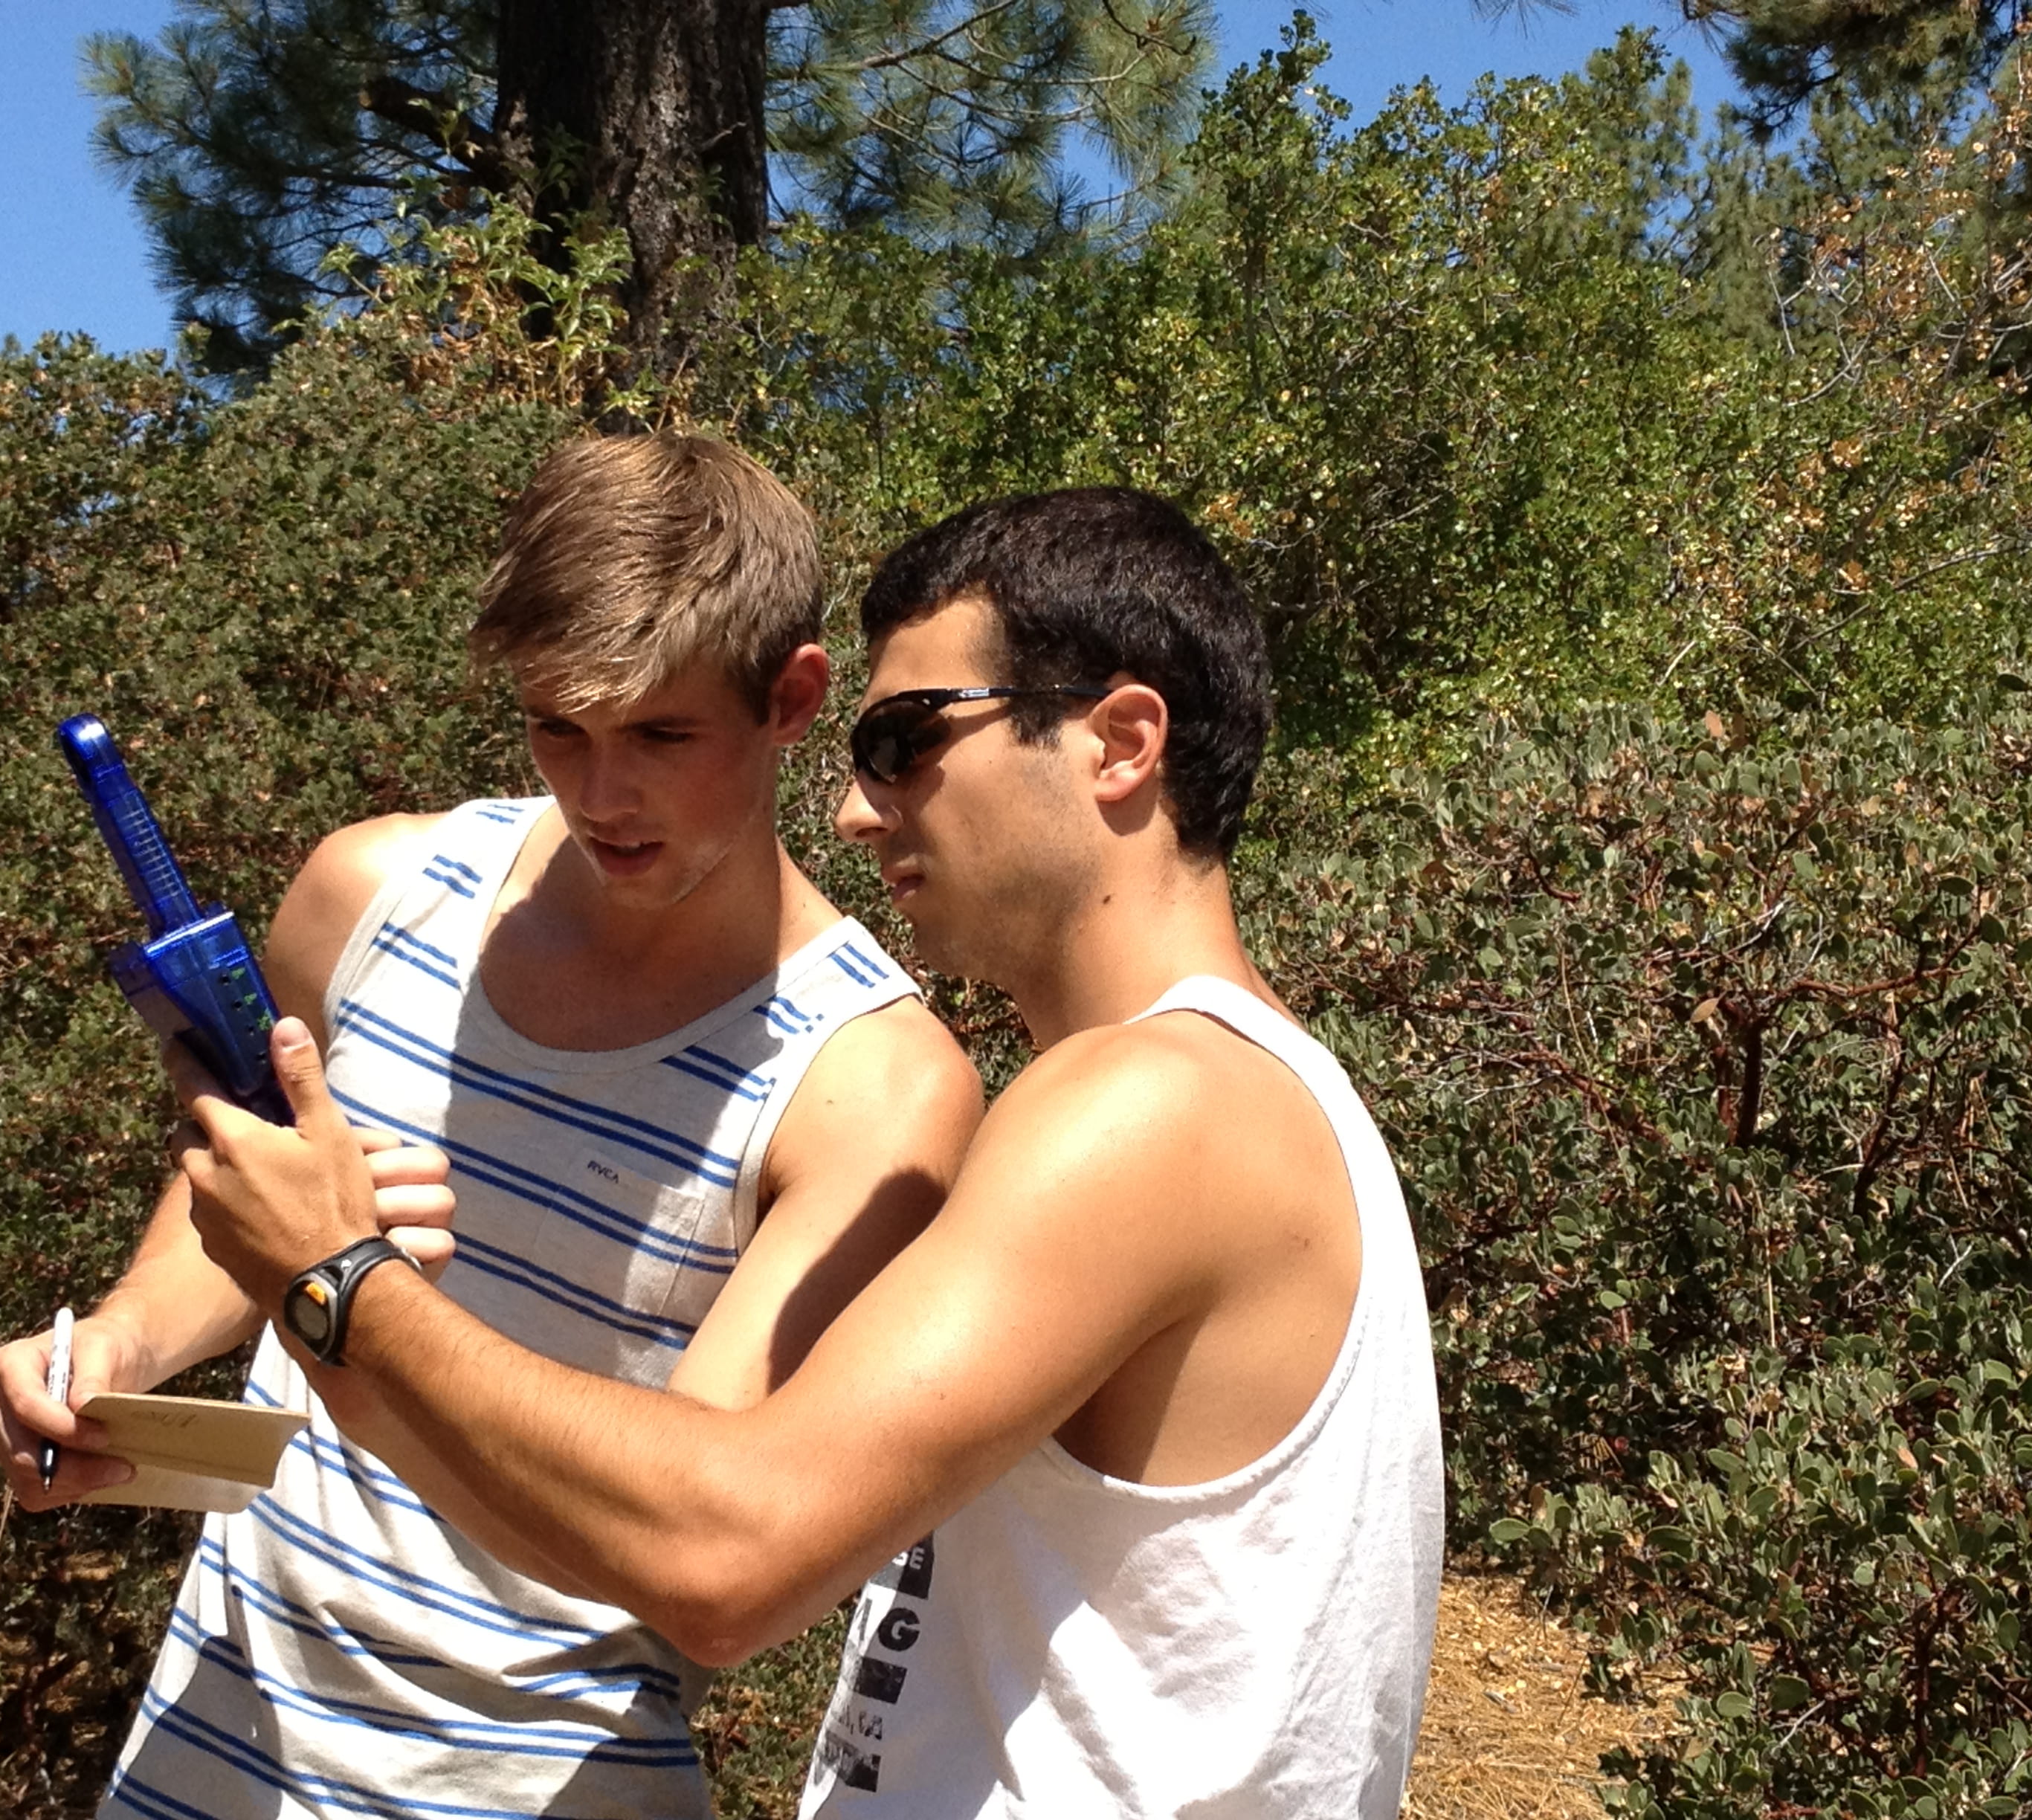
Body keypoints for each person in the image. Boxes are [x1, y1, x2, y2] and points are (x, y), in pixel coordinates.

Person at [166, 485, 1446, 1816]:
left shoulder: (1156, 1103)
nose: (852, 806)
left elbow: (729, 1559)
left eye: (905, 738)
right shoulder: (1242, 1097)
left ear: (1120, 741)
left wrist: (341, 1284)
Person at [0, 433, 984, 1819]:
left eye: (660, 734)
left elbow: (689, 1540)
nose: (601, 793)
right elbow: (237, 1212)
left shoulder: (872, 1086)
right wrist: (113, 1352)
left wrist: (348, 1295)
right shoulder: (372, 891)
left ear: (793, 698)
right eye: (556, 728)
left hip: (539, 1780)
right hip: (213, 1745)